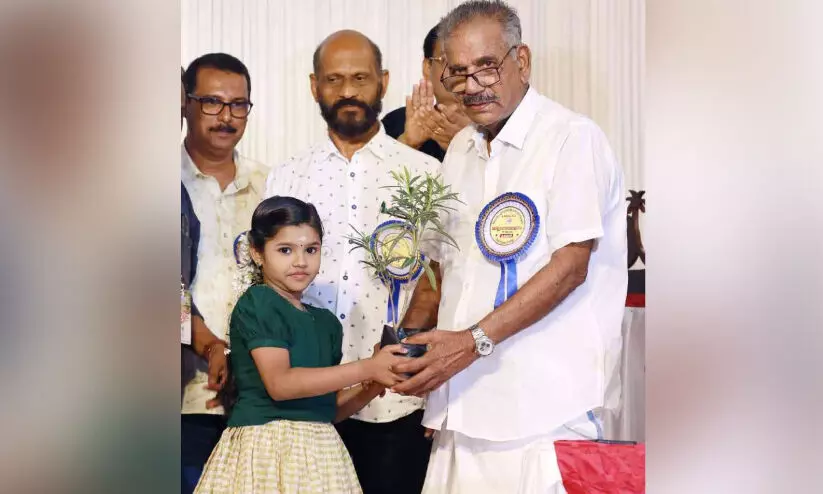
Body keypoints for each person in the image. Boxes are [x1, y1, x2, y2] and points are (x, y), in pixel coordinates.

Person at [392, 2, 628, 493]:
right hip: (461, 409)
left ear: (522, 61)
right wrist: (408, 345)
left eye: (487, 67)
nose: (472, 85)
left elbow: (570, 268)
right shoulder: (461, 149)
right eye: (458, 72)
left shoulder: (571, 139)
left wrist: (470, 343)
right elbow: (442, 265)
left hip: (545, 413)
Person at [265, 30, 441, 494]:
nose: (348, 91)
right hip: (307, 404)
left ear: (383, 81)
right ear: (314, 86)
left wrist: (409, 361)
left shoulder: (424, 173)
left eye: (360, 78)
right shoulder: (286, 177)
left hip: (396, 403)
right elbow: (267, 288)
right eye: (334, 79)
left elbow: (440, 278)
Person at [194, 196, 410, 493]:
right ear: (257, 253)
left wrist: (373, 383)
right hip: (268, 451)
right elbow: (281, 384)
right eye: (285, 250)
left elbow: (329, 410)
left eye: (311, 249)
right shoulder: (259, 302)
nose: (301, 261)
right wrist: (367, 367)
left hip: (321, 454)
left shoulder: (326, 323)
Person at [181, 52, 270, 493]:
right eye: (212, 102)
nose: (227, 116)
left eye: (239, 104)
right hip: (183, 396)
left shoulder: (270, 187)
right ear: (185, 103)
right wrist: (211, 345)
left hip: (255, 397)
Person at [382, 24, 471, 161]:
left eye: (476, 62)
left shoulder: (495, 127)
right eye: (450, 60)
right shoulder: (396, 123)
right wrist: (407, 143)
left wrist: (469, 144)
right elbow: (373, 173)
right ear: (428, 68)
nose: (463, 71)